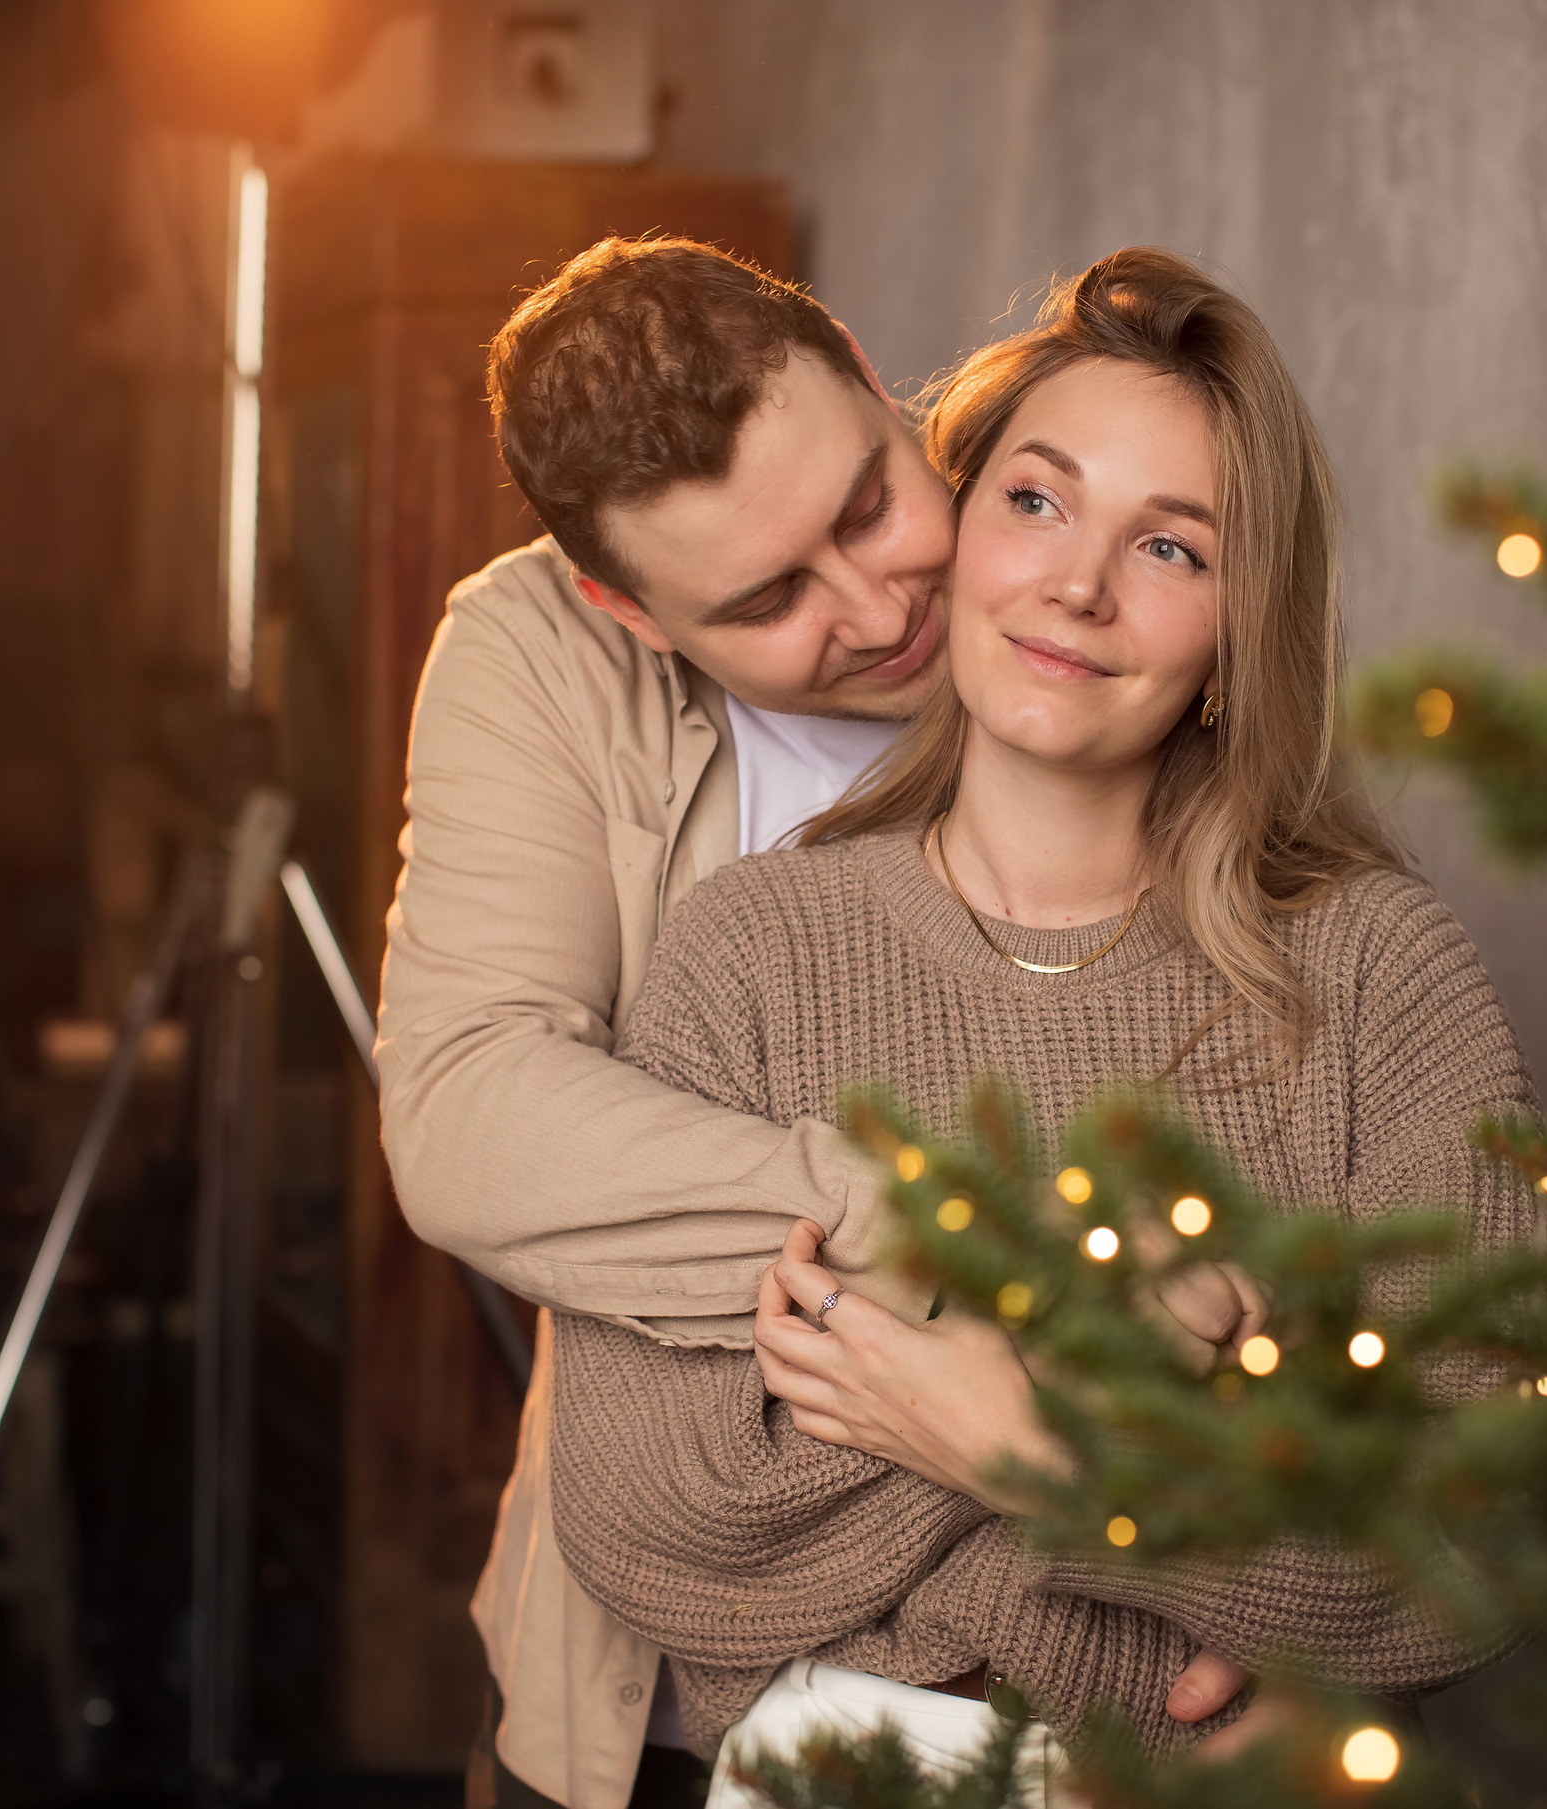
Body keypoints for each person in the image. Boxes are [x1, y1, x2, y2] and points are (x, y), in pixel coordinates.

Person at [544, 248, 1540, 1805]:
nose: (1079, 581)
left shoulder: (1379, 973)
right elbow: (648, 1516)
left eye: (1173, 546)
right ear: (967, 526)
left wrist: (1021, 1441)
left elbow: (1474, 1539)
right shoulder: (749, 947)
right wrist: (1193, 1439)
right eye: (1036, 500)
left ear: (1238, 627)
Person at [378, 236, 1250, 1809]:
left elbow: (1289, 1161)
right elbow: (466, 1115)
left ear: (860, 363)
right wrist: (954, 1242)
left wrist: (1266, 1582)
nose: (879, 602)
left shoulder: (1082, 583)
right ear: (625, 609)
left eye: (866, 501)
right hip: (650, 1692)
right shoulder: (535, 652)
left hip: (1073, 1684)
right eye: (771, 597)